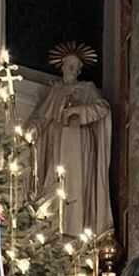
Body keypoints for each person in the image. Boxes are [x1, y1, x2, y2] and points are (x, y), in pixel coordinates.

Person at [30, 45, 113, 238]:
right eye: (69, 65)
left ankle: (78, 229)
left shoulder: (87, 89)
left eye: (75, 66)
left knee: (78, 186)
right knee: (57, 182)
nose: (72, 69)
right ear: (62, 66)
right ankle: (54, 229)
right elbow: (43, 116)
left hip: (81, 144)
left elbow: (102, 108)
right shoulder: (56, 91)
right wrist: (34, 128)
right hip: (60, 144)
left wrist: (78, 111)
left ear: (80, 70)